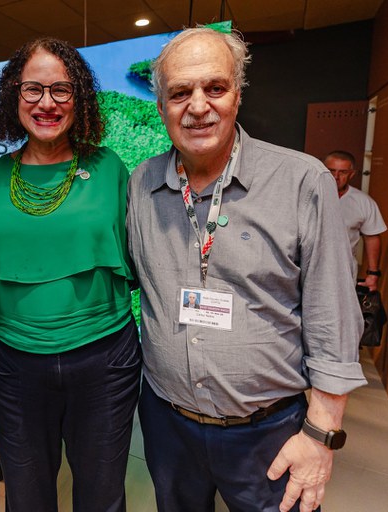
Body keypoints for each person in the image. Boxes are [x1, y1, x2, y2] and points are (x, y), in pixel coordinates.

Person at [127, 28, 366, 512]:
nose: (197, 106)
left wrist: (320, 436)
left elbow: (333, 317)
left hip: (270, 433)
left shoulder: (303, 181)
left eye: (214, 88)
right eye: (179, 93)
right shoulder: (141, 183)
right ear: (161, 105)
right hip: (167, 423)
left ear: (237, 93)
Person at [0, 37, 140, 511]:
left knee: (101, 496)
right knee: (26, 498)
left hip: (104, 361)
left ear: (80, 98)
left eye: (61, 90)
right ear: (14, 96)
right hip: (13, 365)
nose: (47, 103)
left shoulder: (108, 167)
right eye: (33, 90)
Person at [324, 150, 387, 291]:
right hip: (305, 266)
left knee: (338, 312)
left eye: (343, 172)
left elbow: (372, 238)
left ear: (352, 174)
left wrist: (373, 274)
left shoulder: (363, 202)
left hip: (343, 270)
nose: (336, 177)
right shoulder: (308, 196)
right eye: (331, 171)